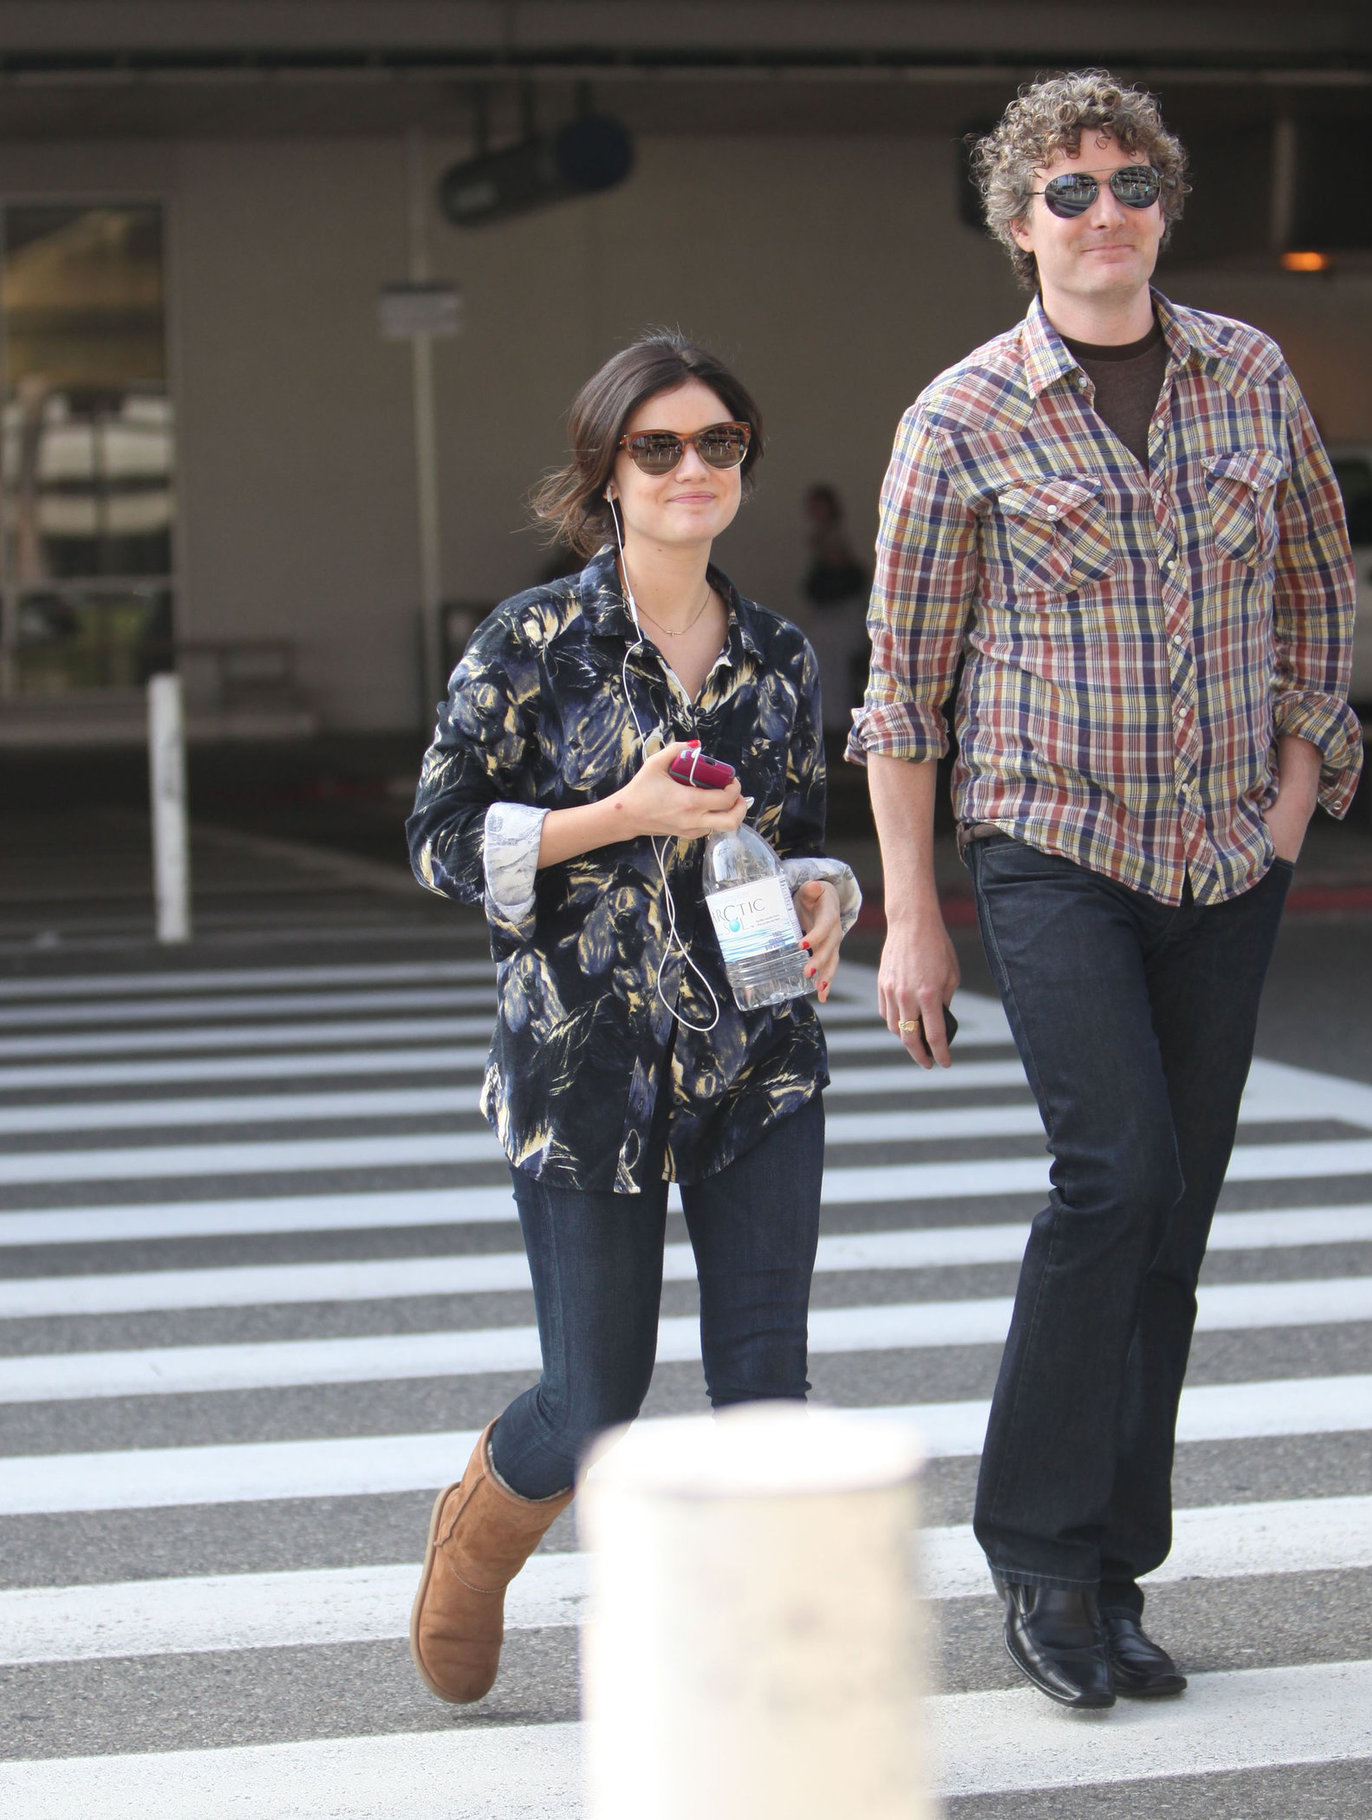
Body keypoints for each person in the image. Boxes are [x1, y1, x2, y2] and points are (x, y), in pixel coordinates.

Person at [848, 71, 1360, 1708]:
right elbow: (901, 689)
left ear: (1162, 205)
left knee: (1173, 1223)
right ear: (1018, 228)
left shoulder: (1249, 375)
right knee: (1111, 1179)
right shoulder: (960, 421)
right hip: (1054, 854)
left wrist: (1290, 799)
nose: (1101, 213)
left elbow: (1313, 590)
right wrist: (910, 914)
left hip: (1225, 859)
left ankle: (1113, 1569)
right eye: (1064, 192)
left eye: (1125, 183)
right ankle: (1035, 1557)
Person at [405, 332, 860, 1706]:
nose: (689, 470)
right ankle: (475, 1544)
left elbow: (801, 843)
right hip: (581, 1064)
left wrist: (825, 900)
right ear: (606, 469)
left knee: (765, 1399)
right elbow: (434, 841)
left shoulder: (776, 655)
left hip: (755, 1059)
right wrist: (619, 815)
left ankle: (757, 1701)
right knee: (596, 1407)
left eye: (716, 445)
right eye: (656, 447)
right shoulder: (532, 642)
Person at [800, 482, 870, 740]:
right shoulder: (822, 535)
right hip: (828, 615)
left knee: (837, 672)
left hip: (842, 615)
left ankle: (839, 727)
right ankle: (831, 725)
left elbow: (844, 565)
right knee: (823, 668)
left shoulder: (835, 536)